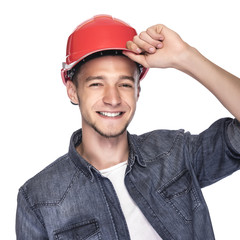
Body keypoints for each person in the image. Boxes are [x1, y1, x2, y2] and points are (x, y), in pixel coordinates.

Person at [16, 14, 240, 240]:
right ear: (72, 91)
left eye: (124, 84)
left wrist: (186, 56)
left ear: (137, 92)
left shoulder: (175, 153)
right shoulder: (38, 198)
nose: (112, 98)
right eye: (96, 84)